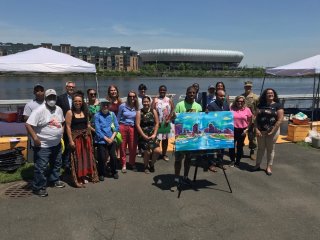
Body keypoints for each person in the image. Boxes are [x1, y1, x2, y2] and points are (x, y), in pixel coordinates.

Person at [25, 89, 65, 197]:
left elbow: (62, 122)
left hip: (56, 143)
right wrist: (35, 138)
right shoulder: (39, 110)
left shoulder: (59, 109)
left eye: (53, 97)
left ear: (56, 98)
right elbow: (28, 125)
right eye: (49, 98)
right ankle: (38, 187)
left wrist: (61, 132)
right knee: (41, 167)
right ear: (46, 99)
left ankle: (54, 179)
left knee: (56, 163)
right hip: (43, 145)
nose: (52, 100)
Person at [171, 86, 202, 191]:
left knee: (189, 159)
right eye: (190, 92)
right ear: (186, 93)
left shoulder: (198, 106)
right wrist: (173, 118)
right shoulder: (179, 105)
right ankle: (176, 179)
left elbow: (200, 122)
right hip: (181, 137)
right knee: (178, 160)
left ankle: (185, 177)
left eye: (193, 93)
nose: (191, 94)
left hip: (193, 138)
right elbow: (174, 120)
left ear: (195, 94)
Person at [65, 91, 99, 187]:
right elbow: (67, 127)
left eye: (80, 101)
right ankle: (78, 177)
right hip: (76, 139)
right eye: (76, 101)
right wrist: (71, 140)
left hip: (86, 137)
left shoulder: (85, 111)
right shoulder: (70, 112)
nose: (78, 103)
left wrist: (94, 132)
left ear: (82, 102)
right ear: (73, 102)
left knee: (86, 157)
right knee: (78, 158)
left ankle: (84, 175)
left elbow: (87, 124)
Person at [252, 88, 284, 176]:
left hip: (272, 131)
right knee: (260, 148)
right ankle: (257, 165)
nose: (270, 94)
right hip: (260, 131)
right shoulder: (260, 105)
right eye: (268, 93)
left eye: (272, 93)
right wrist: (257, 129)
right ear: (265, 95)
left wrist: (273, 130)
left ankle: (269, 166)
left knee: (270, 149)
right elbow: (255, 118)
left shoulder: (278, 105)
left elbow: (280, 119)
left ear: (274, 95)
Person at [94, 100, 120, 181]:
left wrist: (112, 138)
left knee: (113, 156)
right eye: (104, 105)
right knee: (101, 157)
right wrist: (106, 139)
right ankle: (101, 172)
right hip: (101, 140)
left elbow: (116, 127)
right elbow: (97, 130)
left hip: (111, 138)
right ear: (101, 106)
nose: (105, 106)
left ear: (109, 106)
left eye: (107, 105)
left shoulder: (112, 114)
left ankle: (114, 171)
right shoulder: (97, 115)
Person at [136, 96, 161, 173]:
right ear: (142, 103)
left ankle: (152, 164)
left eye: (147, 101)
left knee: (157, 151)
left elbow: (157, 123)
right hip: (143, 135)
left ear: (150, 102)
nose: (146, 103)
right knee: (147, 152)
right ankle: (146, 166)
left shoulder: (154, 111)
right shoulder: (139, 112)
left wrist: (154, 134)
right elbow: (138, 125)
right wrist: (143, 135)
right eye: (144, 102)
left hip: (152, 135)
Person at [206, 89, 229, 172]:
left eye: (223, 96)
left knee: (222, 148)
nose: (222, 97)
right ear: (216, 96)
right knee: (212, 148)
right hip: (213, 131)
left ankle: (220, 162)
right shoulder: (211, 106)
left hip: (223, 130)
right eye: (220, 96)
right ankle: (211, 164)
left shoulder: (226, 105)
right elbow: (208, 119)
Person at [117, 90, 139, 173]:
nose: (132, 98)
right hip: (123, 126)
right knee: (122, 147)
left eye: (134, 96)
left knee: (133, 147)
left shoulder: (137, 107)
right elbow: (118, 118)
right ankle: (123, 164)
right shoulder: (122, 106)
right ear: (128, 97)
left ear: (136, 97)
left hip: (133, 128)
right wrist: (117, 129)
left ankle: (132, 163)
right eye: (130, 96)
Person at [56, 81, 76, 173]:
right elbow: (57, 111)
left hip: (75, 124)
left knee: (74, 143)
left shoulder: (77, 97)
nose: (71, 88)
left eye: (72, 87)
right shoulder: (60, 98)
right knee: (66, 143)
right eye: (69, 87)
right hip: (65, 124)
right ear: (66, 88)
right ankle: (65, 164)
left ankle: (73, 162)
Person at [152, 85, 174, 161]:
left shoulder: (169, 100)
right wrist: (154, 103)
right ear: (159, 90)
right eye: (161, 90)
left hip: (166, 123)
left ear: (166, 91)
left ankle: (164, 154)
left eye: (164, 90)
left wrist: (169, 118)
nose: (162, 91)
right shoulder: (156, 100)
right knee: (157, 139)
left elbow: (172, 110)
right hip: (158, 123)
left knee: (165, 139)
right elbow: (152, 110)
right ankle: (156, 153)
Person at [229, 95, 252, 167]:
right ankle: (232, 160)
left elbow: (250, 120)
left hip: (242, 130)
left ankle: (238, 161)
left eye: (242, 101)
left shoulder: (247, 109)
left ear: (244, 102)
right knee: (231, 146)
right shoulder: (231, 108)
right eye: (238, 101)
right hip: (232, 130)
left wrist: (247, 129)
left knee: (239, 146)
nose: (240, 103)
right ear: (235, 101)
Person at [241, 81, 259, 160]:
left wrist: (256, 118)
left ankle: (252, 151)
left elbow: (258, 109)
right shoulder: (241, 97)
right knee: (241, 136)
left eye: (249, 87)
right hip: (243, 121)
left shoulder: (255, 97)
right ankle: (240, 150)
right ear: (244, 87)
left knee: (252, 137)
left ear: (251, 87)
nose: (248, 88)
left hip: (252, 120)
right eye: (246, 86)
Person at [106, 85, 122, 159]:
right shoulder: (107, 102)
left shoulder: (120, 101)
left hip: (119, 123)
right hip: (109, 124)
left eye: (114, 90)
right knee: (111, 140)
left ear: (117, 91)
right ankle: (111, 156)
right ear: (109, 92)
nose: (113, 92)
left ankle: (118, 156)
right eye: (111, 90)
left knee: (118, 139)